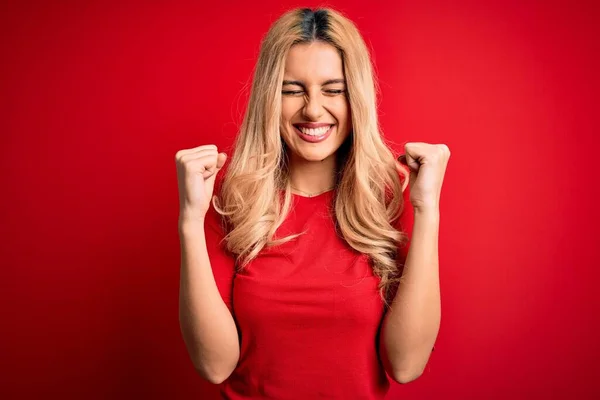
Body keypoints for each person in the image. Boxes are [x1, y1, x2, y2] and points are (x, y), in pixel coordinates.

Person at [175, 7, 450, 400]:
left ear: (356, 97)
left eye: (333, 90)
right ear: (269, 97)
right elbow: (214, 365)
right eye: (292, 90)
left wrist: (427, 210)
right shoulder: (227, 199)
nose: (314, 109)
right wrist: (189, 219)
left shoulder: (391, 200)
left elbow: (406, 365)